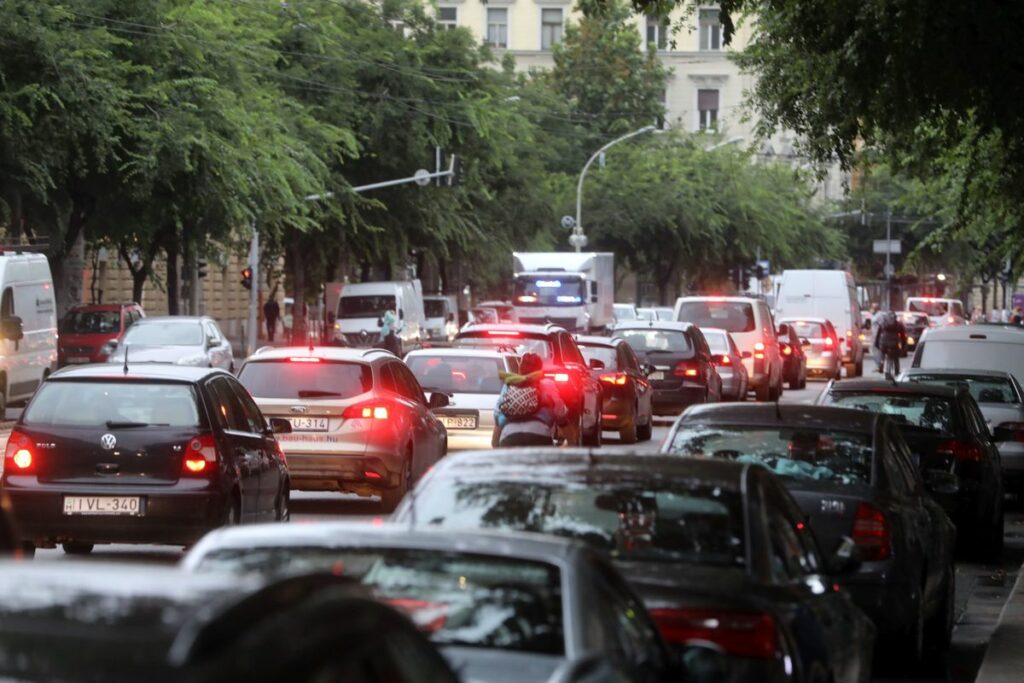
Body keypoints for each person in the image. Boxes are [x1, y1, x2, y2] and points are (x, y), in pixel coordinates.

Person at [492, 353, 567, 447]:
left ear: (520, 368)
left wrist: (495, 444)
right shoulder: (548, 384)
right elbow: (561, 413)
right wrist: (572, 443)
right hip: (539, 433)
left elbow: (497, 415)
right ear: (539, 369)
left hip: (509, 434)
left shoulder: (509, 385)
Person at [874, 310, 907, 377]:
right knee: (895, 357)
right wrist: (903, 346)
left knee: (882, 354)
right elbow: (903, 337)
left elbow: (878, 335)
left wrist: (876, 343)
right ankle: (897, 371)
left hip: (884, 343)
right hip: (894, 344)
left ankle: (881, 365)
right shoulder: (899, 325)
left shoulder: (883, 323)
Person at [868, 303, 885, 373]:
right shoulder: (877, 315)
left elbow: (879, 326)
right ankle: (879, 365)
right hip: (876, 336)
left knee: (875, 351)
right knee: (876, 351)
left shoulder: (878, 316)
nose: (871, 309)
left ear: (875, 309)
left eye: (872, 308)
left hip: (877, 336)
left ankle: (879, 365)